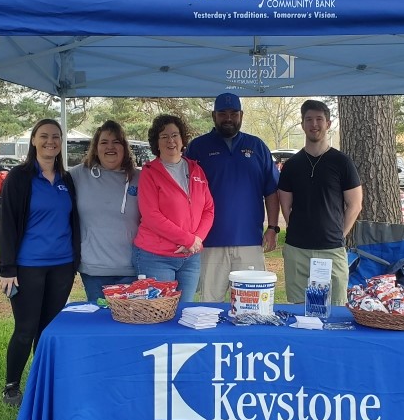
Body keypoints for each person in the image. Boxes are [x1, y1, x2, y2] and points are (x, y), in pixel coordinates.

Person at [0, 119, 80, 408]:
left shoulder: (66, 179)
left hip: (62, 266)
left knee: (48, 329)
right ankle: (11, 386)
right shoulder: (19, 178)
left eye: (56, 137)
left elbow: (73, 221)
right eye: (44, 136)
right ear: (33, 140)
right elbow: (7, 224)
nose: (50, 141)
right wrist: (7, 268)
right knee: (26, 328)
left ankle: (43, 382)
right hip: (27, 266)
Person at [186, 92, 280, 303]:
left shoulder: (257, 147)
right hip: (209, 241)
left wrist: (273, 228)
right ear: (214, 116)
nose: (228, 118)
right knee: (210, 305)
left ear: (241, 115)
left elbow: (271, 191)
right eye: (222, 113)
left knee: (252, 305)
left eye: (233, 113)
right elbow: (186, 194)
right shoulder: (197, 148)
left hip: (249, 241)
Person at [277, 100, 363, 305]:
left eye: (319, 119)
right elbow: (285, 205)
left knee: (335, 307)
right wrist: (298, 228)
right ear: (302, 124)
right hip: (297, 249)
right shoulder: (292, 165)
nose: (314, 124)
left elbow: (355, 204)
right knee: (299, 308)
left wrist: (339, 234)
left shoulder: (342, 162)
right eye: (309, 119)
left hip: (331, 250)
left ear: (328, 123)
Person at [133, 114, 214, 302]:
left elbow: (209, 209)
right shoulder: (149, 173)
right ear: (157, 142)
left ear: (182, 139)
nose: (171, 141)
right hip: (156, 257)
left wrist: (197, 240)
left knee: (184, 312)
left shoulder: (196, 170)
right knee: (159, 312)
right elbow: (151, 215)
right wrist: (187, 239)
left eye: (175, 135)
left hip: (191, 256)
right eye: (164, 136)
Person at [68, 120, 140, 302]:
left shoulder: (140, 177)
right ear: (95, 148)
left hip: (132, 269)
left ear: (124, 147)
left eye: (116, 142)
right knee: (99, 325)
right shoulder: (77, 175)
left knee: (127, 325)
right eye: (104, 142)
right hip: (93, 269)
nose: (110, 147)